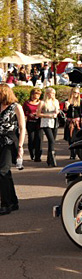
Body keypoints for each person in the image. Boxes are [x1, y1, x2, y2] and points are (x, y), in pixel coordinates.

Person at [0, 84, 26, 214]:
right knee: (6, 173)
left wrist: (21, 146)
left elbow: (22, 127)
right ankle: (13, 201)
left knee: (2, 171)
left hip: (10, 141)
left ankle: (6, 204)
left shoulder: (16, 107)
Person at [38, 87, 61, 166]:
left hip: (54, 122)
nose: (52, 95)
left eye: (54, 93)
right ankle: (52, 159)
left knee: (53, 141)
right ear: (47, 94)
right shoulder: (42, 102)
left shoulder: (56, 101)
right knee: (51, 140)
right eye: (51, 93)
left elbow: (58, 111)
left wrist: (56, 113)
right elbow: (38, 114)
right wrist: (48, 115)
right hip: (46, 122)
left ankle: (49, 159)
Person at [64, 88, 82, 156]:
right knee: (70, 138)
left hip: (77, 122)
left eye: (77, 93)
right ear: (72, 93)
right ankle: (72, 153)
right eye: (75, 92)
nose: (76, 94)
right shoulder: (67, 101)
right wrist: (66, 107)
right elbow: (65, 111)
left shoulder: (80, 101)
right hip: (69, 121)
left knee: (76, 137)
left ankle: (76, 152)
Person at [22, 88, 42, 162]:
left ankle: (38, 156)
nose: (36, 96)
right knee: (31, 139)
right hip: (30, 123)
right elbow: (23, 112)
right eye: (35, 94)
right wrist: (29, 114)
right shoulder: (26, 103)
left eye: (38, 95)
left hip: (39, 123)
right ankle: (32, 154)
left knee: (39, 139)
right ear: (32, 94)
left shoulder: (41, 103)